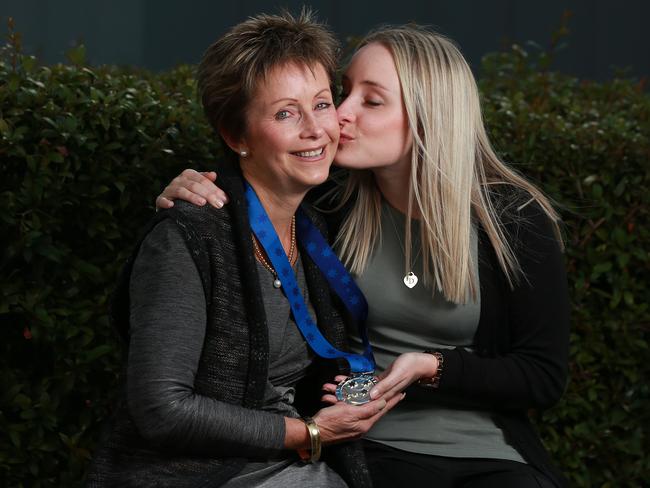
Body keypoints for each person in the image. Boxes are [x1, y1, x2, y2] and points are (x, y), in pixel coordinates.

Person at [156, 25, 570, 488]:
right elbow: (255, 167)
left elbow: (543, 376)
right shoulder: (326, 205)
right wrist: (192, 186)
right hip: (367, 448)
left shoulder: (510, 220)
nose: (339, 116)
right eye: (343, 93)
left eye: (371, 101)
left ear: (430, 116)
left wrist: (432, 368)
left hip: (493, 452)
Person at [86, 11, 404, 488]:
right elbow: (161, 409)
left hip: (295, 465)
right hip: (200, 473)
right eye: (284, 113)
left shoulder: (320, 219)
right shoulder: (187, 236)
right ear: (236, 136)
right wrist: (310, 432)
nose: (315, 129)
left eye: (320, 104)